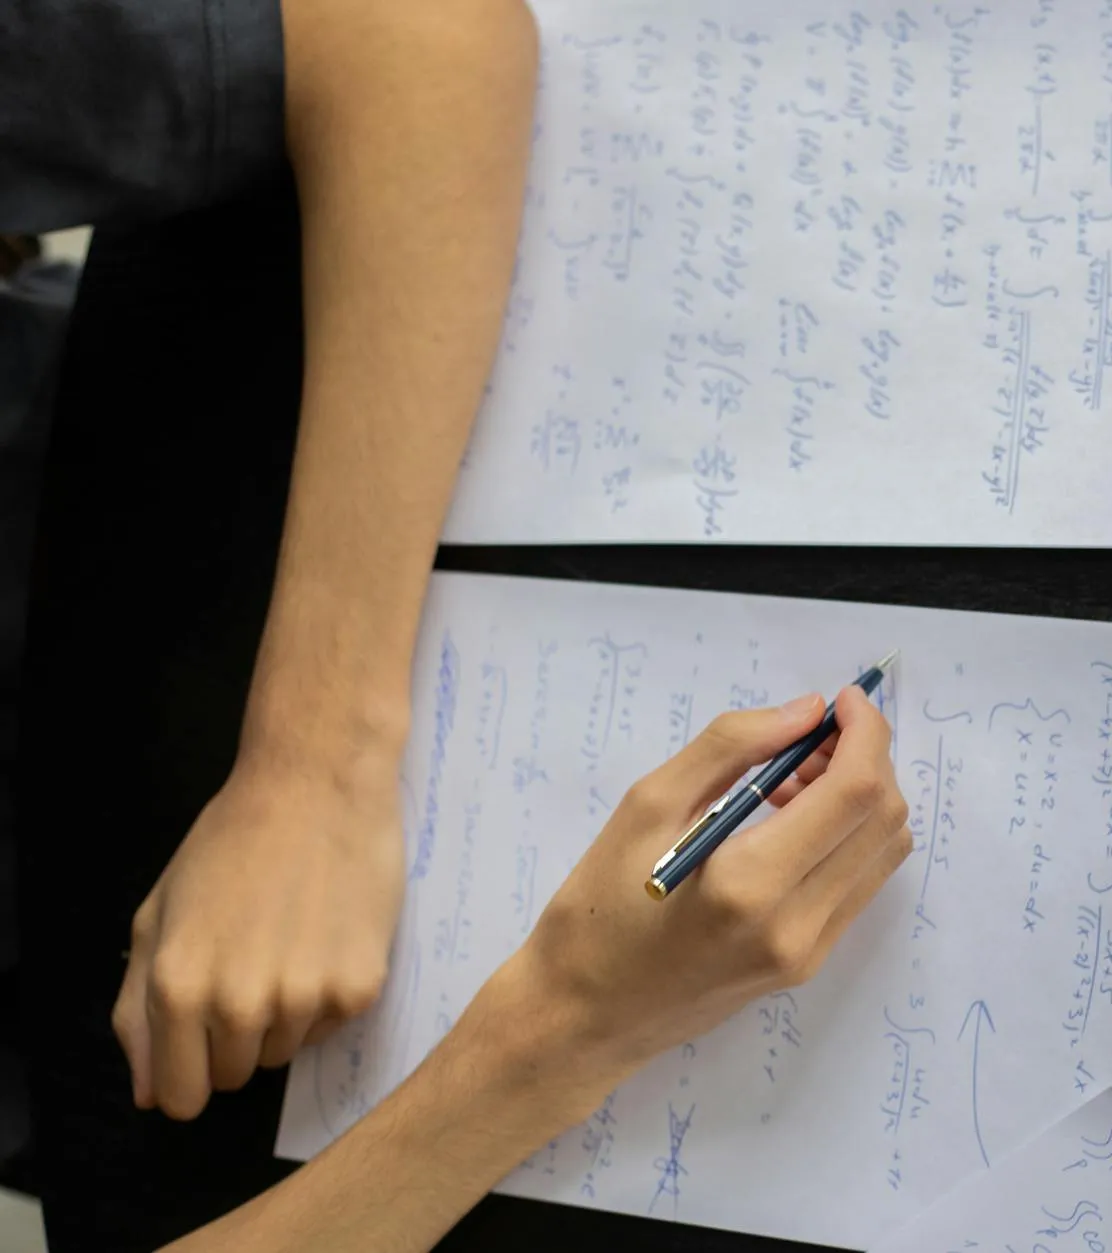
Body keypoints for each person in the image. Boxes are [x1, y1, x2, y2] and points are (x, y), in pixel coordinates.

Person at [1, 2, 916, 1247]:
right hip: (181, 1078)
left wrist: (309, 764)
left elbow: (411, 30)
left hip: (214, 452)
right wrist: (559, 1031)